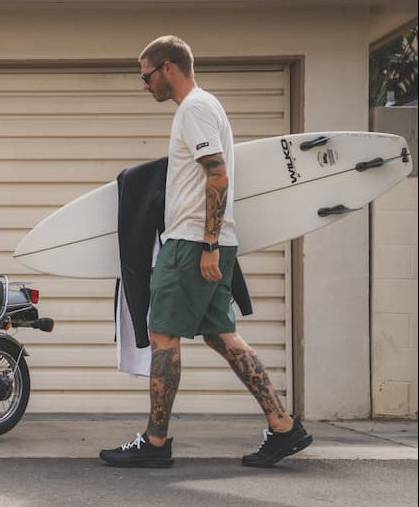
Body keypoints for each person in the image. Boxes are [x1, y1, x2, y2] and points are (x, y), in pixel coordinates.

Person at [99, 36, 312, 468]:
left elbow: (217, 177)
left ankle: (156, 444)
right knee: (222, 335)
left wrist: (208, 245)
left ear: (168, 69)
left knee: (162, 336)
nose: (144, 85)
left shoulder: (194, 108)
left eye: (146, 76)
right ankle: (285, 426)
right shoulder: (202, 106)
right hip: (208, 240)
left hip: (194, 242)